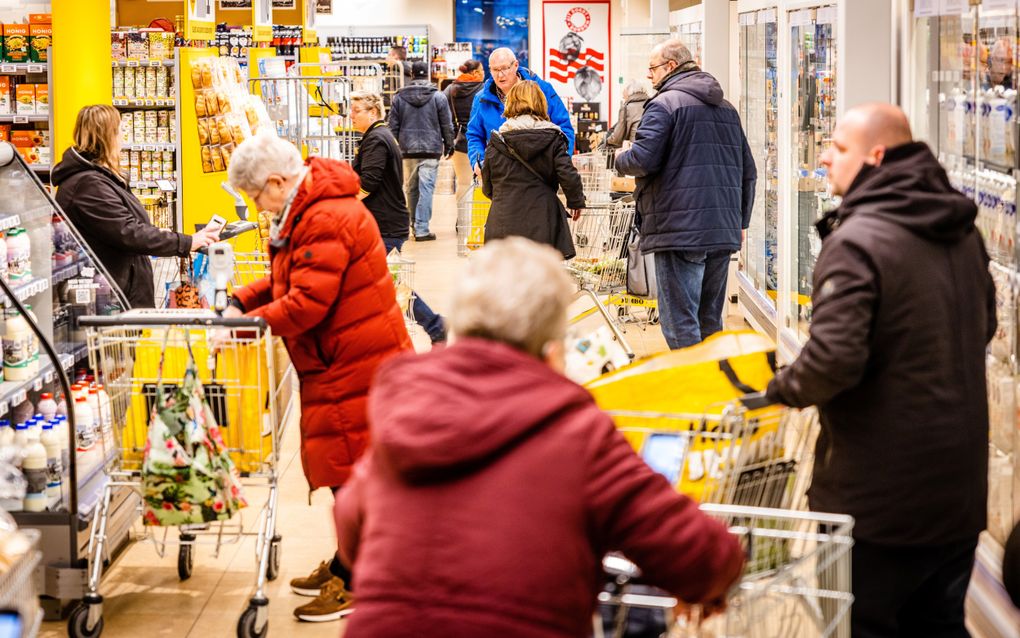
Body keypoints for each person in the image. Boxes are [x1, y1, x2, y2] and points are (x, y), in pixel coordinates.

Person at [334, 237, 745, 637]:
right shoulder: (575, 431)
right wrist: (711, 580)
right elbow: (697, 554)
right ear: (552, 352)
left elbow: (351, 529)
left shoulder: (407, 410)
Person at [764, 103, 996, 638]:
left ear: (876, 157)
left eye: (838, 148)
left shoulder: (857, 241)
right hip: (957, 489)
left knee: (860, 623)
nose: (824, 157)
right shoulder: (961, 229)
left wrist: (779, 389)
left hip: (877, 497)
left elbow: (832, 361)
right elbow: (983, 326)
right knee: (939, 623)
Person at [223, 131, 413, 623]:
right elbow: (295, 277)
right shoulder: (310, 208)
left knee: (350, 475)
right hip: (343, 357)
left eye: (255, 195)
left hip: (354, 361)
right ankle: (348, 562)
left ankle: (357, 580)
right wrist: (246, 297)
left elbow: (308, 303)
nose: (257, 206)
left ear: (277, 181)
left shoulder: (324, 214)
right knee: (346, 472)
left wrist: (250, 325)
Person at [615, 40, 756, 350]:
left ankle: (693, 390)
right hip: (722, 227)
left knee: (680, 320)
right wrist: (740, 221)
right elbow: (749, 170)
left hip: (679, 228)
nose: (649, 75)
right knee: (709, 319)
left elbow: (643, 159)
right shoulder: (727, 108)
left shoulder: (664, 105)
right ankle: (715, 387)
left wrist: (621, 156)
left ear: (671, 67)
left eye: (652, 68)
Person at [51, 105, 221, 308]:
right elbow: (128, 232)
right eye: (121, 130)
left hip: (116, 290)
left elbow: (120, 226)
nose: (123, 137)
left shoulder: (97, 177)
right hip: (109, 300)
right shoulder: (88, 185)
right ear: (108, 136)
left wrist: (159, 234)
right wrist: (185, 242)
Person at [349, 90, 447, 344]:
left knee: (387, 284)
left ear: (372, 112)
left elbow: (368, 182)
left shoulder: (376, 140)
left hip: (385, 225)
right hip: (384, 223)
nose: (350, 115)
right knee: (384, 283)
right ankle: (433, 326)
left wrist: (342, 201)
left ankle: (434, 325)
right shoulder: (377, 136)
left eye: (356, 110)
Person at [481, 81, 584, 259]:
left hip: (503, 220)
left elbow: (487, 186)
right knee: (541, 277)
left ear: (510, 103)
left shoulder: (496, 142)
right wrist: (575, 201)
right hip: (542, 219)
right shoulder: (554, 138)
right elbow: (568, 174)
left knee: (504, 279)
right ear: (541, 103)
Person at [466, 47, 575, 172]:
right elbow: (474, 135)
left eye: (505, 68)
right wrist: (478, 162)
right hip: (501, 175)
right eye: (495, 70)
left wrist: (561, 162)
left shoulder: (542, 90)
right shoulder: (481, 99)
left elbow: (564, 129)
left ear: (516, 65)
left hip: (540, 174)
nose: (500, 75)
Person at [388, 61, 455, 241]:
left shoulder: (399, 97)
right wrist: (449, 145)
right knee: (426, 189)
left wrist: (391, 149)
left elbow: (392, 126)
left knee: (410, 188)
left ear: (411, 75)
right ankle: (422, 229)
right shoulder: (438, 97)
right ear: (426, 75)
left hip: (407, 149)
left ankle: (413, 225)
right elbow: (447, 125)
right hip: (431, 149)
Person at [443, 58, 485, 194]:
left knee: (463, 183)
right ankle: (483, 215)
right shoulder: (484, 89)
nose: (484, 73)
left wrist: (449, 142)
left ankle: (462, 216)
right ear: (475, 72)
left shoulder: (451, 89)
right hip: (482, 142)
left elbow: (446, 118)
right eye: (482, 70)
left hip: (460, 142)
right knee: (486, 182)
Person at [605, 79, 650, 148]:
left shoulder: (626, 108)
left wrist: (606, 141)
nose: (623, 97)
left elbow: (617, 139)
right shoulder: (652, 104)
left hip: (634, 151)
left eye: (624, 94)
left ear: (629, 92)